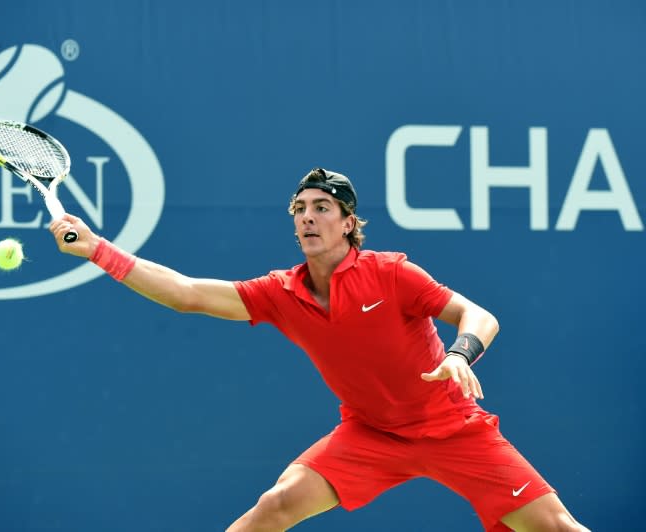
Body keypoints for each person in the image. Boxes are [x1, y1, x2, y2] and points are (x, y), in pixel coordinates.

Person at [49, 168, 589, 531]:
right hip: (369, 434)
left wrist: (458, 354)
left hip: (452, 429)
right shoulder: (280, 292)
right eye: (300, 208)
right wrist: (97, 249)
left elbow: (480, 316)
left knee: (556, 528)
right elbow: (187, 294)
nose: (307, 216)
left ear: (349, 224)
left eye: (322, 208)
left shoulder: (392, 274)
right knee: (275, 505)